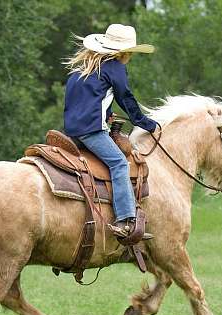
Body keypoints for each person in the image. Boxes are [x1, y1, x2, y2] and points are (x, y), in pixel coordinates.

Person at [62, 24, 158, 238]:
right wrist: (146, 123)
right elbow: (127, 99)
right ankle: (126, 220)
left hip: (71, 131)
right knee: (119, 164)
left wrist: (106, 115)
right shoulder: (115, 67)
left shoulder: (84, 68)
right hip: (91, 131)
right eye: (131, 53)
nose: (130, 57)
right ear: (123, 53)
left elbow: (89, 100)